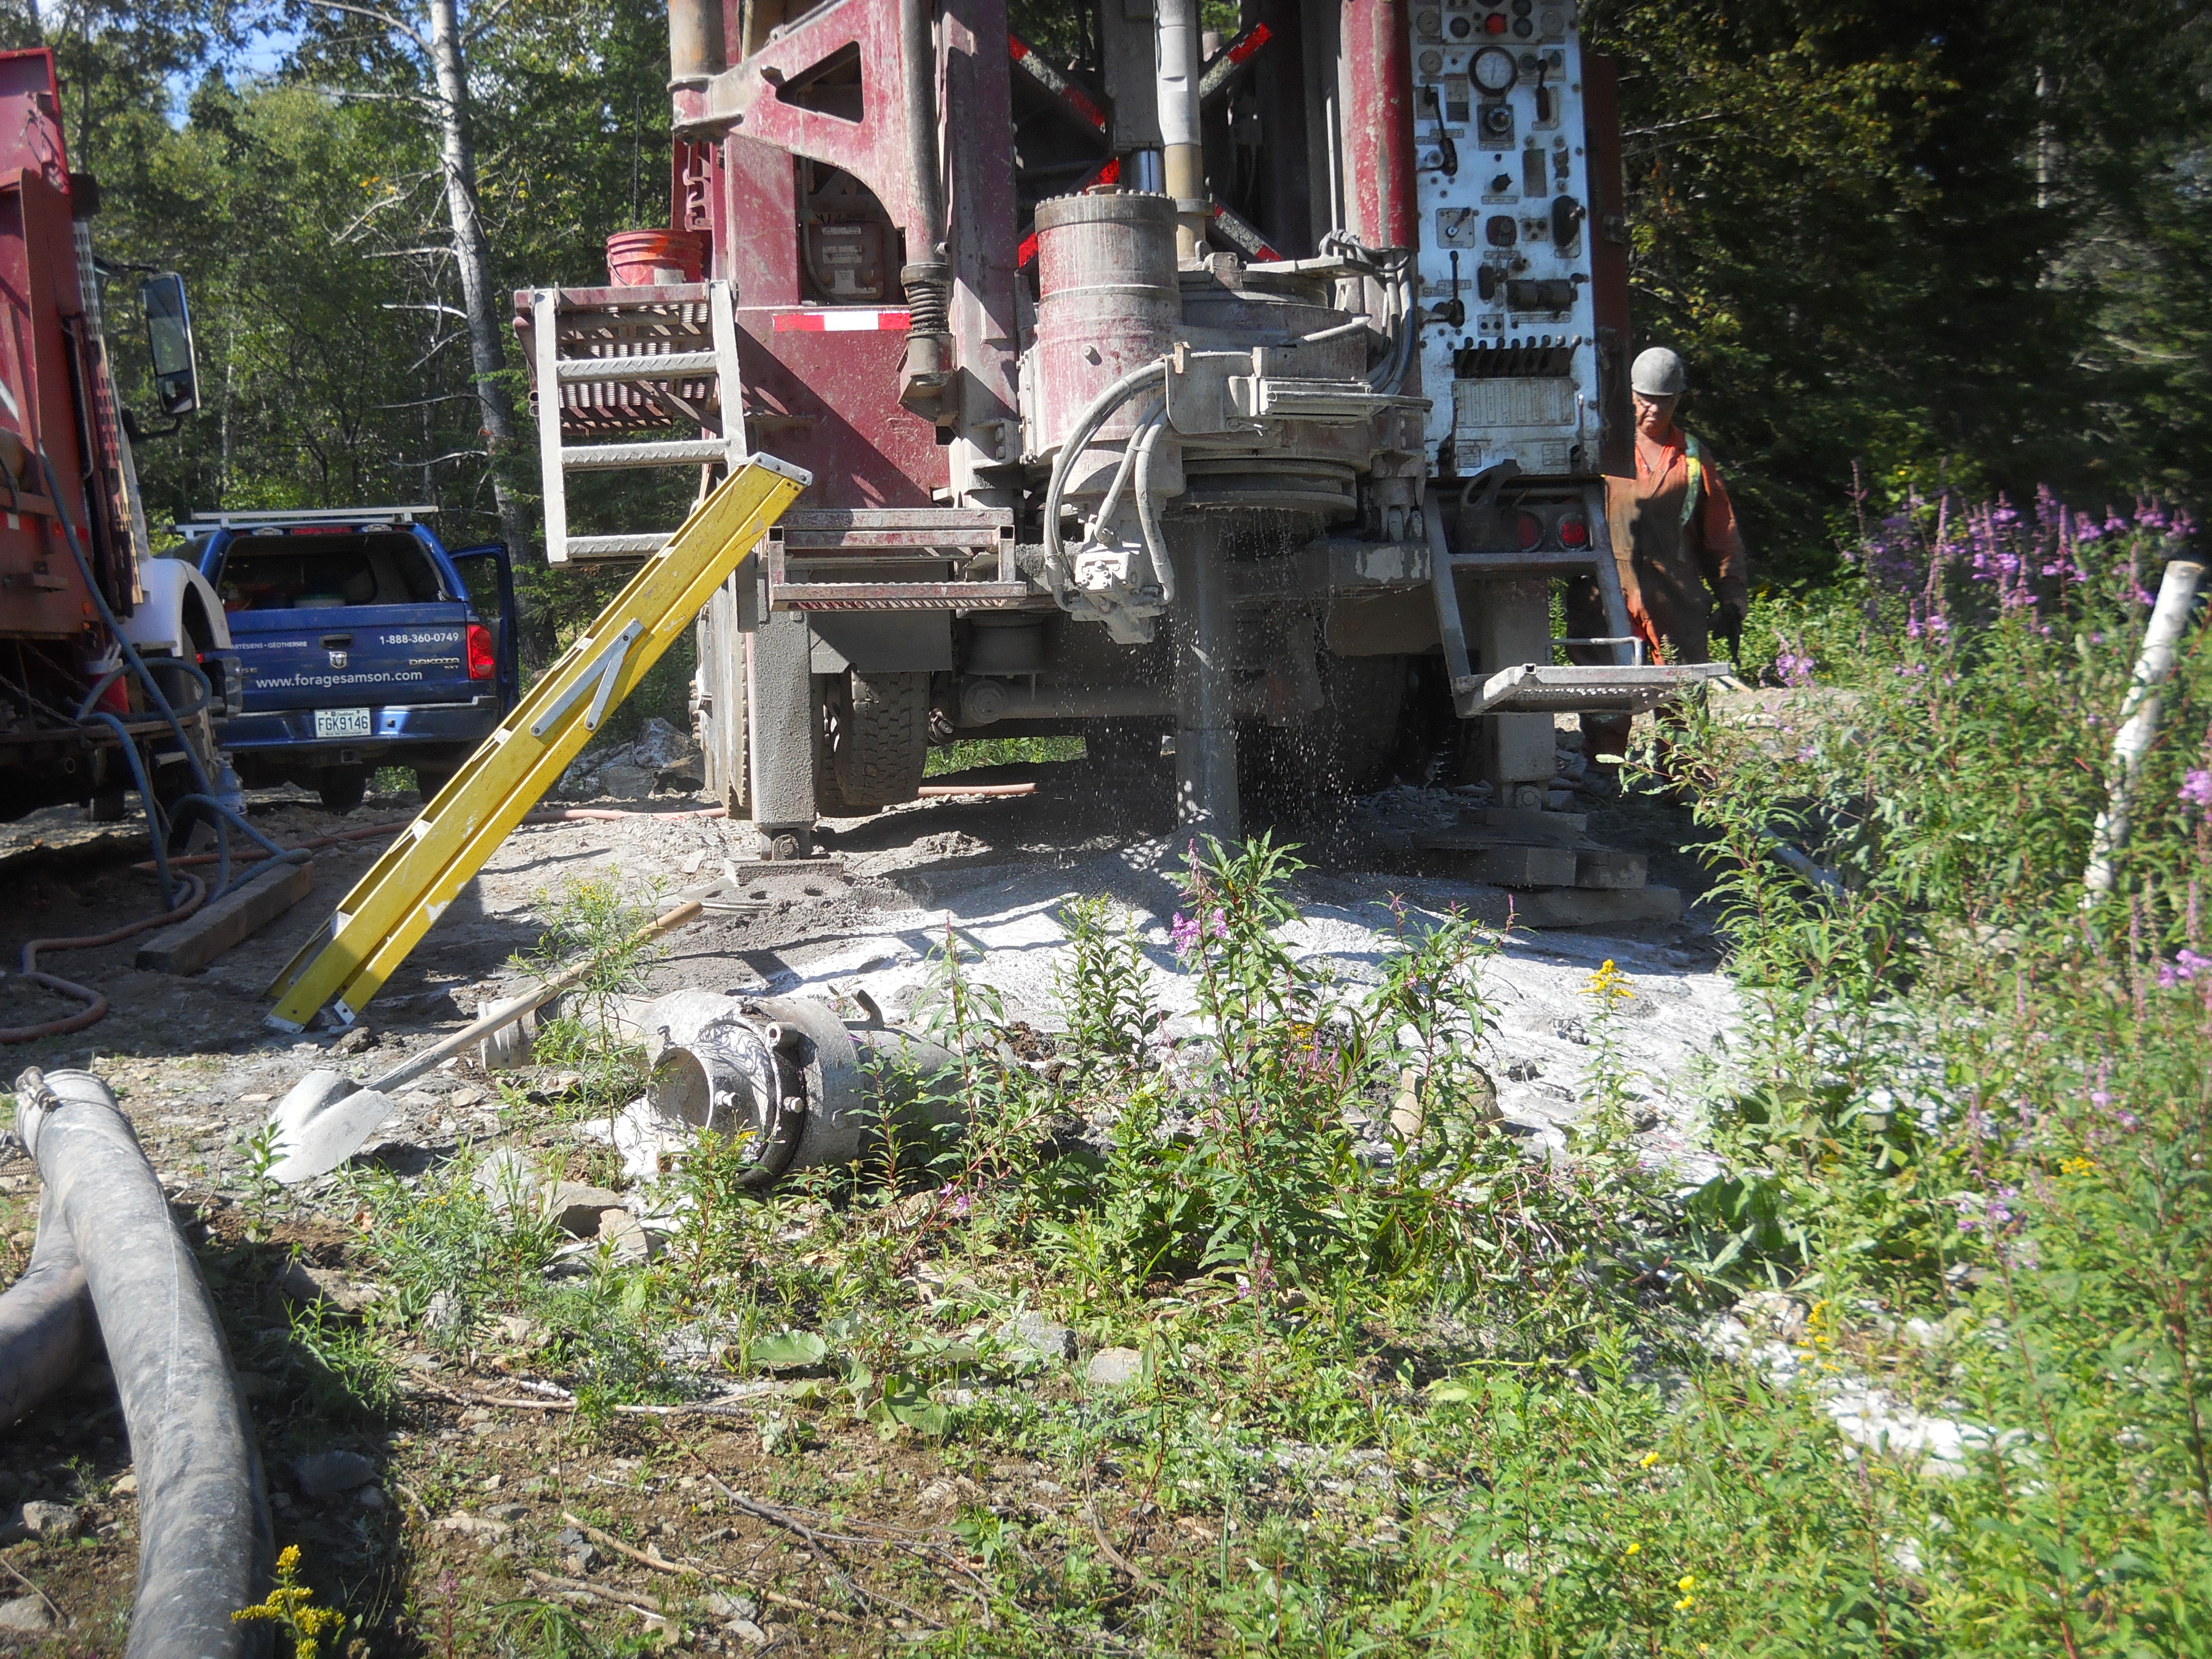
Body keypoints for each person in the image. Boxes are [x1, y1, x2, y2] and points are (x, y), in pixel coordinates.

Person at [1571, 345, 1750, 765]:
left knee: (1681, 689)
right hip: (1607, 588)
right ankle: (1604, 769)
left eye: (1663, 400)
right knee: (1605, 686)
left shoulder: (1691, 456)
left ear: (1677, 400)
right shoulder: (1603, 447)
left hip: (1674, 593)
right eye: (1645, 399)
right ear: (1630, 395)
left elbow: (1721, 532)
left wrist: (1732, 596)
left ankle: (1681, 779)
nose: (1652, 409)